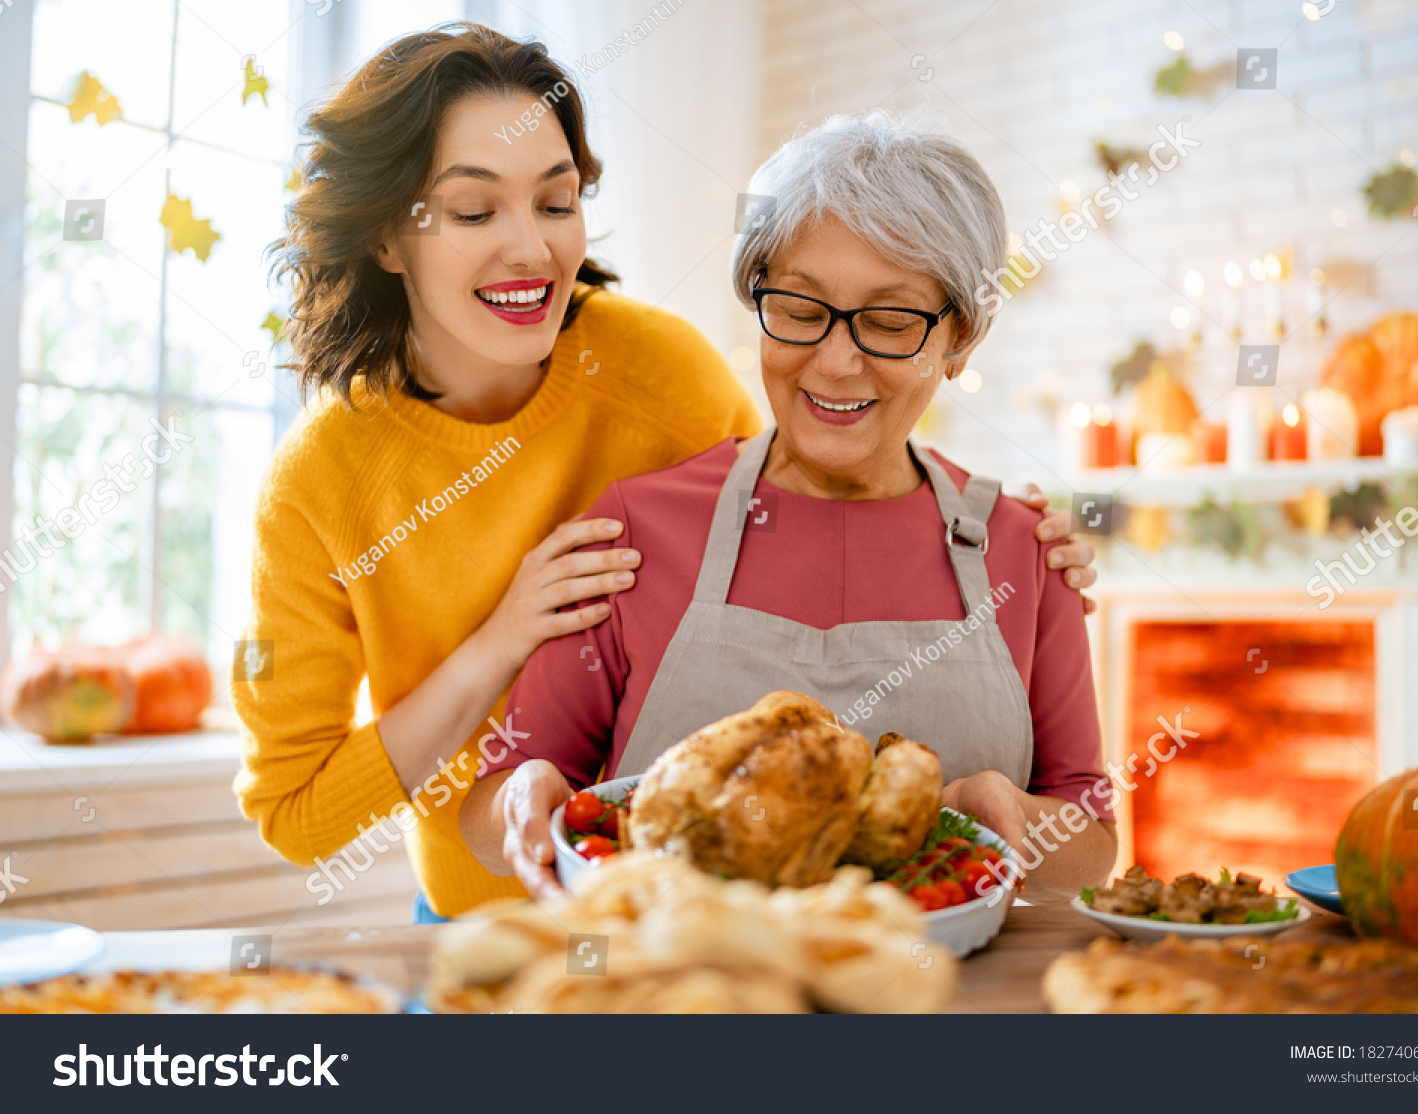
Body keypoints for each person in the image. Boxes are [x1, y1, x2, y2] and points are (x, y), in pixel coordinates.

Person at [233, 24, 1100, 922]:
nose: (530, 251)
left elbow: (798, 484)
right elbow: (298, 813)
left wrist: (1020, 551)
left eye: (556, 200)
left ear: (960, 336)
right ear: (387, 237)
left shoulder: (658, 370)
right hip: (518, 912)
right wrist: (500, 642)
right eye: (473, 210)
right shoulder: (319, 483)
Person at [463, 111, 1118, 906]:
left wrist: (1010, 816)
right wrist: (518, 795)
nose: (836, 363)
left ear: (961, 338)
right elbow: (500, 801)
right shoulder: (639, 527)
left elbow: (1089, 840)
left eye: (889, 321)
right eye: (801, 311)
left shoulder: (1023, 550)